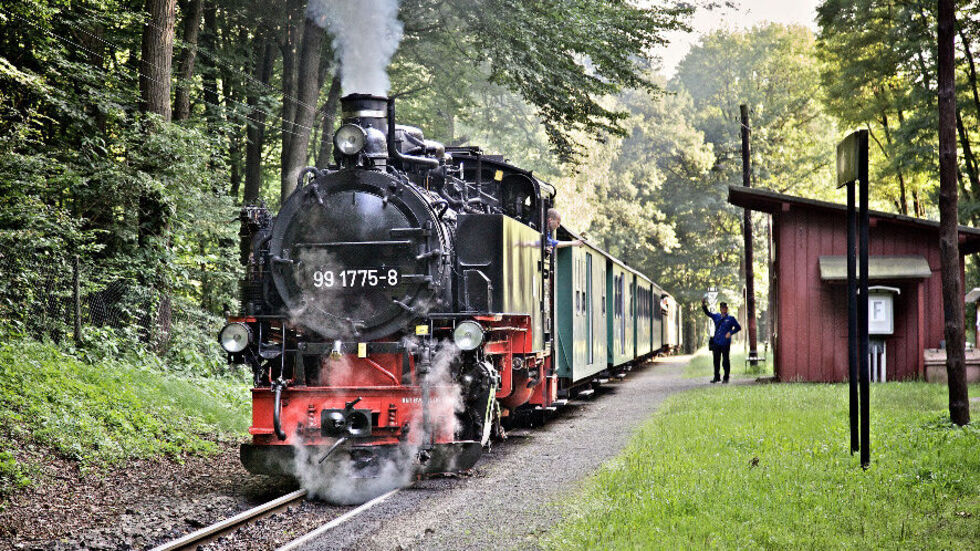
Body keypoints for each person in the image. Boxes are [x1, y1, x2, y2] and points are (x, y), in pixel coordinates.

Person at [701, 297, 741, 384]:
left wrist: (730, 332)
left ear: (727, 309)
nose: (723, 309)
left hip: (725, 342)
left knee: (725, 360)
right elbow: (707, 313)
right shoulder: (716, 316)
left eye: (725, 308)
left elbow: (738, 327)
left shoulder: (731, 318)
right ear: (720, 309)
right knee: (716, 360)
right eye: (722, 308)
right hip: (716, 342)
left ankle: (726, 377)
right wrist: (704, 305)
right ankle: (716, 377)